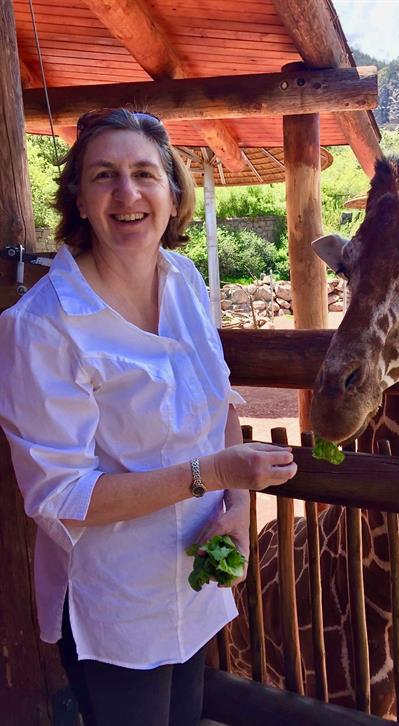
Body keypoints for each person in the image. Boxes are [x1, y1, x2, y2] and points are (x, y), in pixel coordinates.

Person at [0, 108, 297, 726]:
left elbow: (220, 402)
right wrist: (213, 473)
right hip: (113, 603)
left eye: (144, 173)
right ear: (79, 199)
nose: (127, 193)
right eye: (104, 175)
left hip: (192, 577)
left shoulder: (183, 278)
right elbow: (62, 497)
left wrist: (236, 511)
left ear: (171, 192)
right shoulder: (40, 327)